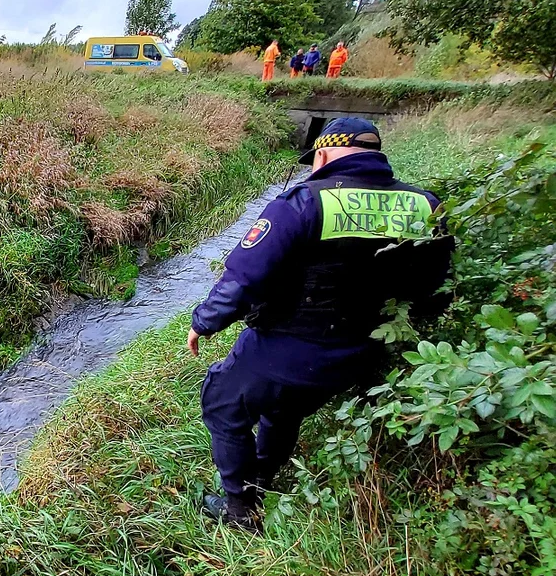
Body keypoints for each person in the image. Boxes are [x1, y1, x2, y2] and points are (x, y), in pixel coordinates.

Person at [187, 118, 455, 533]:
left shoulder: (303, 203)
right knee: (285, 409)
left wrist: (204, 323)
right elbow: (434, 284)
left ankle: (239, 509)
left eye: (315, 160)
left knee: (222, 400)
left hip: (290, 344)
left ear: (325, 154)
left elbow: (243, 278)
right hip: (364, 349)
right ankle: (261, 478)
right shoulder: (426, 203)